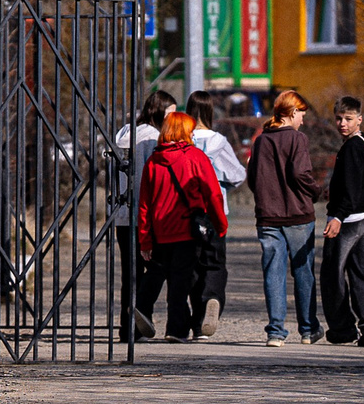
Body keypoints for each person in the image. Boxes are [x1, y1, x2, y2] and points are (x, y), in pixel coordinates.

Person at [135, 111, 229, 341]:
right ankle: (176, 329)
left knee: (156, 272)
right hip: (187, 228)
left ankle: (140, 309)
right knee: (181, 280)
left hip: (160, 230)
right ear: (184, 131)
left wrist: (145, 240)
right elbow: (213, 194)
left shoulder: (154, 160)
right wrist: (220, 224)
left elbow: (144, 204)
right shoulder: (196, 157)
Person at [244, 89, 324, 346]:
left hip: (268, 216)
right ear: (291, 113)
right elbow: (300, 173)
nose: (302, 118)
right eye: (301, 113)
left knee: (273, 273)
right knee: (303, 272)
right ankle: (308, 330)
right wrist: (317, 191)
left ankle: (276, 332)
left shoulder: (261, 141)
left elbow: (252, 178)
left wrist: (265, 198)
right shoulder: (297, 139)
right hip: (298, 214)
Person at [318, 96, 364, 347]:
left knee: (332, 274)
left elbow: (353, 187)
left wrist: (337, 216)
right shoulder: (363, 142)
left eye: (347, 119)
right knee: (363, 271)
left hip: (349, 221)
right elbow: (357, 182)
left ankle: (343, 328)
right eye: (338, 118)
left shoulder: (352, 147)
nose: (342, 123)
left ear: (359, 119)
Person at [113, 90, 177, 339]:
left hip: (121, 211)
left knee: (130, 272)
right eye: (171, 112)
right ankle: (141, 315)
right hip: (145, 212)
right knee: (160, 265)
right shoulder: (153, 138)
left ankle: (127, 327)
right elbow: (153, 178)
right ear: (160, 111)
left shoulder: (125, 134)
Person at [185, 94, 248, 336]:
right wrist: (222, 186)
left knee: (192, 265)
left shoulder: (182, 140)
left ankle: (196, 319)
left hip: (186, 212)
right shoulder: (218, 141)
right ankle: (212, 299)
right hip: (214, 210)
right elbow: (238, 174)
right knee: (214, 262)